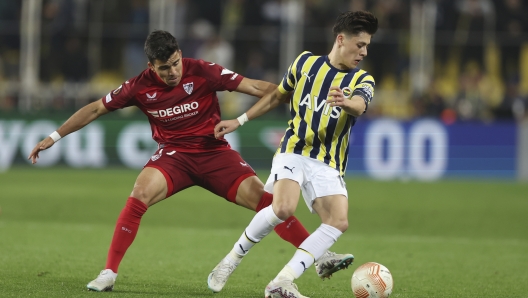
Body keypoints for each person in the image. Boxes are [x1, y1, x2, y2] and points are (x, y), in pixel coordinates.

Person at [27, 30, 352, 292]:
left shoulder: (203, 70)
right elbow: (97, 108)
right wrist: (54, 137)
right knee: (139, 194)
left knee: (269, 204)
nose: (172, 72)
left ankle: (320, 256)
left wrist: (294, 97)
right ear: (151, 66)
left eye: (176, 63)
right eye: (164, 67)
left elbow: (255, 87)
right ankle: (108, 273)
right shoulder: (139, 87)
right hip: (174, 156)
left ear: (181, 55)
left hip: (215, 154)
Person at [210, 11, 378, 297]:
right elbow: (277, 96)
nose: (363, 52)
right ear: (341, 39)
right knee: (284, 207)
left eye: (366, 47)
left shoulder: (363, 78)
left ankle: (281, 282)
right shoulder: (304, 63)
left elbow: (361, 106)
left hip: (328, 162)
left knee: (338, 221)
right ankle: (230, 261)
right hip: (294, 150)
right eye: (359, 44)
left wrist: (345, 102)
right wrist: (239, 121)